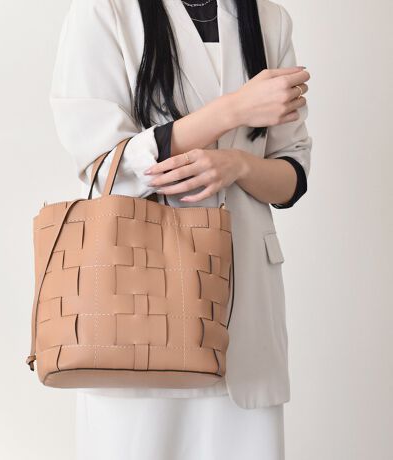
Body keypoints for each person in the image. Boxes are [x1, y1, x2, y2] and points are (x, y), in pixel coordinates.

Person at [49, 0, 312, 458]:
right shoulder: (104, 12)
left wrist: (237, 164)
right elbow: (104, 167)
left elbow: (292, 174)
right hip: (137, 307)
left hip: (245, 302)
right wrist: (232, 110)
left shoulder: (269, 19)